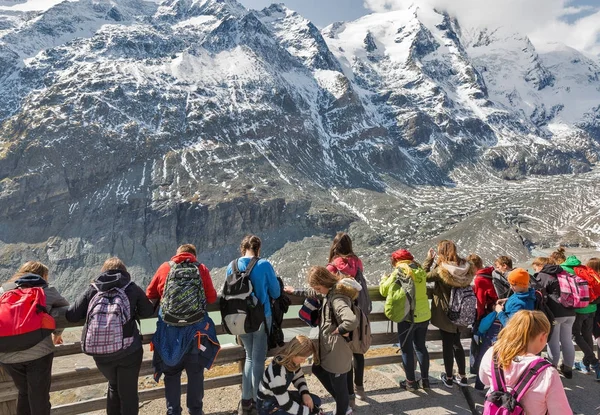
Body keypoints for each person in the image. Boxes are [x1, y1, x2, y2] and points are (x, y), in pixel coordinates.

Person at [65, 257, 154, 415]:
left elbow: (71, 315)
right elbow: (148, 311)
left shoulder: (94, 288)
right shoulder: (131, 288)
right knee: (128, 393)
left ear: (103, 271)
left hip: (101, 354)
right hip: (129, 351)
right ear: (124, 271)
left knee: (113, 386)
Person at [146, 244, 218, 415]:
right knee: (195, 374)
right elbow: (212, 297)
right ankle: (195, 411)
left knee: (171, 374)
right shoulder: (201, 269)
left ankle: (173, 411)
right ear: (194, 255)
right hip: (195, 335)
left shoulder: (165, 267)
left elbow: (149, 293)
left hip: (170, 336)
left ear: (176, 255)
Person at [0, 261, 69, 415]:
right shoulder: (46, 290)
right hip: (39, 353)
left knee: (24, 392)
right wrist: (57, 334)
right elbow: (67, 310)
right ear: (43, 276)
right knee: (40, 398)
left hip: (7, 355)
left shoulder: (3, 290)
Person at [479, 310, 572, 415]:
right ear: (543, 336)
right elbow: (561, 412)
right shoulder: (547, 373)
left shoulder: (493, 353)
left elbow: (484, 380)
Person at [227, 235, 281, 415]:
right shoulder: (264, 264)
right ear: (258, 248)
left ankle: (245, 401)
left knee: (249, 356)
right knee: (258, 359)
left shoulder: (232, 265)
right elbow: (276, 291)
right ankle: (259, 402)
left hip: (239, 319)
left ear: (243, 249)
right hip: (260, 318)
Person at [302, 266, 359, 415]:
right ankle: (343, 404)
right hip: (331, 349)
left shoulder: (337, 298)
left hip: (337, 351)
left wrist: (339, 330)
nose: (317, 291)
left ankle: (343, 408)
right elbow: (313, 292)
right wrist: (292, 291)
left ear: (324, 283)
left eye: (318, 288)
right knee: (317, 369)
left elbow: (351, 321)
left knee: (339, 387)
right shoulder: (329, 292)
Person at [423, 240, 474, 388]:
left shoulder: (442, 270)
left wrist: (429, 259)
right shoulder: (465, 267)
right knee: (456, 343)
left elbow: (424, 275)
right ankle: (463, 376)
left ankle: (449, 378)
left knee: (447, 345)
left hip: (446, 312)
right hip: (462, 310)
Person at [325, 232, 367, 404]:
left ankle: (349, 394)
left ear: (335, 246)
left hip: (341, 315)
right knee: (357, 351)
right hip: (359, 311)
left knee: (345, 353)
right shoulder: (357, 263)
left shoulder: (333, 267)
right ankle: (360, 389)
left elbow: (326, 289)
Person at [380, 248, 431, 391]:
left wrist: (384, 278)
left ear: (396, 260)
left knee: (407, 349)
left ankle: (410, 382)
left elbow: (383, 290)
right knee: (421, 347)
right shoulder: (419, 270)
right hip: (424, 315)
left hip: (408, 317)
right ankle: (425, 381)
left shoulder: (399, 271)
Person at [532, 255, 575, 378]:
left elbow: (539, 293)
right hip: (570, 312)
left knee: (553, 341)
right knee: (567, 340)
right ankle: (568, 368)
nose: (535, 271)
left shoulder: (543, 275)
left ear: (541, 265)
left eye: (535, 268)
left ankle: (552, 369)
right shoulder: (563, 273)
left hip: (555, 314)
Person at [256, 335, 322, 415]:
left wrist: (305, 394)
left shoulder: (292, 361)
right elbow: (285, 404)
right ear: (294, 353)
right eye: (302, 358)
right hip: (267, 405)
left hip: (279, 397)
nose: (304, 361)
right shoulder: (277, 372)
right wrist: (308, 412)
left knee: (315, 401)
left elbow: (299, 377)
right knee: (309, 409)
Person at [562, 255, 600, 379]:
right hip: (592, 309)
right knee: (587, 335)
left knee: (575, 335)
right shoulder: (588, 272)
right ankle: (586, 364)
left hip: (580, 309)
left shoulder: (568, 270)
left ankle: (593, 362)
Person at [468, 254, 497, 321]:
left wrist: (479, 317)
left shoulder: (479, 279)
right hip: (496, 303)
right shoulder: (489, 271)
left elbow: (480, 301)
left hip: (491, 307)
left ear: (473, 267)